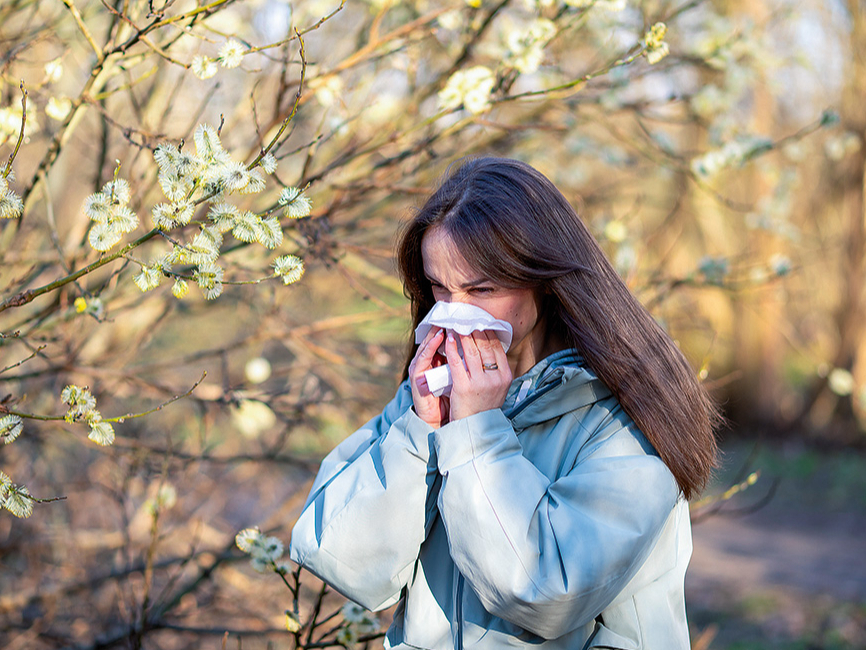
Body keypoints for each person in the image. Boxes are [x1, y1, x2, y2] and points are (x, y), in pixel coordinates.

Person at [289, 157, 719, 649]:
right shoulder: (437, 393)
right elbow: (339, 556)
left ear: (544, 276)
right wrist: (419, 431)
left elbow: (543, 591)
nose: (455, 313)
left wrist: (475, 433)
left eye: (482, 289)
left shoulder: (621, 419)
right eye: (439, 287)